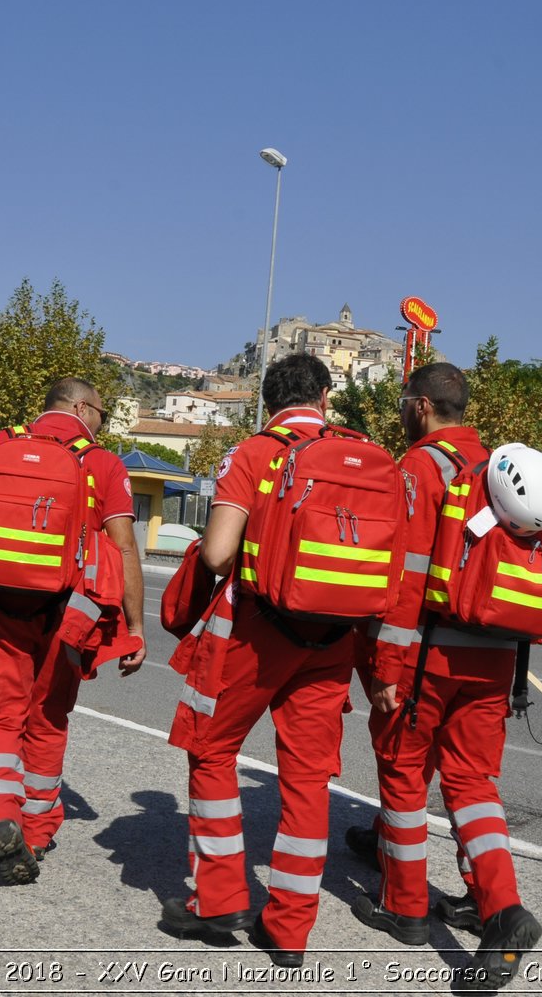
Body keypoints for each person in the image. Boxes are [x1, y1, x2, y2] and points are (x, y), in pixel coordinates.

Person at [163, 353, 367, 968]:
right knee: (307, 780)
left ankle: (219, 899)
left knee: (212, 748)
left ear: (268, 401)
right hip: (335, 639)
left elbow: (221, 553)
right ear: (326, 398)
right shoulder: (362, 456)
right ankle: (289, 929)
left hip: (260, 632)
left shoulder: (255, 453)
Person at [352, 362, 542, 991]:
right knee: (473, 781)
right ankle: (499, 906)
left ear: (423, 407)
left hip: (428, 653)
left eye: (407, 403)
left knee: (404, 772)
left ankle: (404, 906)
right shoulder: (497, 468)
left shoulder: (420, 467)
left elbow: (405, 575)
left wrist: (386, 664)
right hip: (494, 654)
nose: (404, 412)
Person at [0, 377, 146, 884]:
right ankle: (35, 830)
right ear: (81, 407)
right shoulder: (101, 463)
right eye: (101, 410)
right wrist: (136, 627)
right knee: (48, 717)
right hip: (69, 612)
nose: (102, 419)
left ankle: (1, 810)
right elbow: (122, 549)